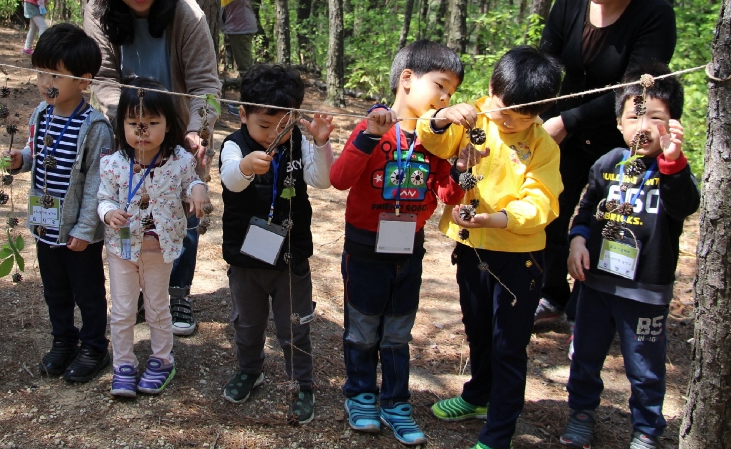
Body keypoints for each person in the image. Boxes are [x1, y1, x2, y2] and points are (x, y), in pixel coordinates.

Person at [420, 46, 564, 449]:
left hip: (520, 259)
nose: (512, 121)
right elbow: (434, 142)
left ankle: (499, 431)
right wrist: (440, 116)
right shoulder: (473, 116)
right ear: (491, 90)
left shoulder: (543, 147)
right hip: (471, 248)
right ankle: (477, 396)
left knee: (508, 344)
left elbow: (541, 202)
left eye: (525, 116)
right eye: (505, 110)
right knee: (479, 329)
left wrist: (496, 219)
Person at [538, 0, 677, 326]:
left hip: (618, 135)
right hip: (559, 130)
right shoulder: (570, 0)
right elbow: (550, 62)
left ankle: (596, 302)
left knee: (610, 216)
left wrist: (568, 120)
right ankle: (551, 295)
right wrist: (535, 115)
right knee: (552, 211)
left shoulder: (654, 15)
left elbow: (633, 89)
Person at [87, 0, 221, 337]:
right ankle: (137, 289)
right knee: (130, 205)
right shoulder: (99, 11)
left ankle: (176, 292)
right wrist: (133, 114)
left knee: (183, 203)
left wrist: (196, 129)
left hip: (181, 128)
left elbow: (207, 84)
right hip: (124, 131)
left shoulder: (186, 12)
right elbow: (100, 77)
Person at [330, 40, 467, 446]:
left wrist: (461, 170)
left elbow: (448, 196)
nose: (444, 98)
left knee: (398, 331)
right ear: (407, 79)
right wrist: (369, 137)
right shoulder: (373, 126)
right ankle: (360, 395)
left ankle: (395, 402)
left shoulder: (438, 142)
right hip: (365, 248)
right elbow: (339, 179)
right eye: (440, 86)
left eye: (451, 93)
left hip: (409, 248)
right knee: (362, 329)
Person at [561, 63, 699, 449]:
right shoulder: (608, 164)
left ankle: (647, 428)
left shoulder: (671, 170)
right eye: (634, 116)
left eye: (655, 117)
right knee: (585, 354)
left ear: (671, 124)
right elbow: (586, 210)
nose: (643, 125)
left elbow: (685, 205)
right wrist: (577, 241)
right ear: (620, 124)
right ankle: (581, 413)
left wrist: (674, 161)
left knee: (644, 366)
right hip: (597, 284)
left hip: (645, 292)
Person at [218, 64, 335, 424]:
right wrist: (247, 167)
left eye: (282, 126)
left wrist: (321, 143)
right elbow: (230, 180)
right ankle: (250, 369)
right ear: (243, 114)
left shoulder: (299, 141)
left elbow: (321, 180)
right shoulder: (234, 145)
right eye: (264, 126)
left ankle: (302, 383)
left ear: (295, 118)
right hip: (246, 258)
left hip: (290, 257)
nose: (273, 136)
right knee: (248, 324)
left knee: (294, 326)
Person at [5, 23, 115, 383]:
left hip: (77, 232)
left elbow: (97, 184)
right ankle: (63, 340)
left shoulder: (95, 126)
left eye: (55, 74)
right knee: (55, 289)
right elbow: (40, 153)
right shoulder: (42, 113)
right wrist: (22, 159)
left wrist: (85, 229)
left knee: (87, 291)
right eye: (40, 71)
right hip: (44, 223)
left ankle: (95, 346)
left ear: (84, 81)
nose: (43, 81)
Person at [98, 77, 210, 397]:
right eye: (134, 123)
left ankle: (162, 360)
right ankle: (123, 364)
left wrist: (198, 189)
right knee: (121, 310)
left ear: (168, 123)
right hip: (122, 248)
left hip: (161, 249)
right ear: (121, 124)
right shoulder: (113, 164)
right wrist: (108, 213)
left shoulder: (180, 161)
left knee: (158, 307)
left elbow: (191, 184)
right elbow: (103, 197)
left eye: (151, 122)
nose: (142, 131)